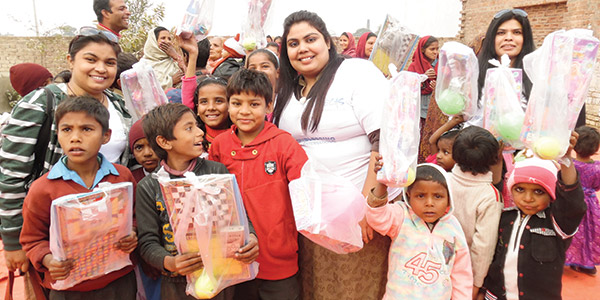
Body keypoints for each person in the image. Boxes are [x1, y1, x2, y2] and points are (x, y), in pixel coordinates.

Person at [272, 10, 390, 300]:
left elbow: (384, 141)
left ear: (327, 41)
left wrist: (366, 207)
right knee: (316, 289)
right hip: (311, 217)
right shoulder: (288, 88)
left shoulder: (356, 73)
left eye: (310, 39)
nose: (302, 49)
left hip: (357, 215)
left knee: (353, 289)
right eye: (293, 43)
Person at [0, 31, 132, 275]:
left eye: (109, 63)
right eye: (90, 60)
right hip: (54, 238)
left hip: (107, 238)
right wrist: (12, 241)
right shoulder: (41, 102)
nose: (101, 69)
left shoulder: (117, 103)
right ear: (71, 61)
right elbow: (11, 174)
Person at [136, 103, 259, 299]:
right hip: (177, 282)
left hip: (223, 274)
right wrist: (169, 262)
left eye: (197, 125)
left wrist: (251, 237)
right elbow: (147, 242)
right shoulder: (150, 187)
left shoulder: (216, 172)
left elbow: (240, 217)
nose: (200, 132)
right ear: (165, 142)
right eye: (189, 128)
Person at [20, 96, 138, 298]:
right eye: (67, 130)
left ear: (106, 136)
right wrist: (48, 260)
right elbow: (32, 239)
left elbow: (136, 217)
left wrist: (133, 234)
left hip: (118, 281)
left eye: (86, 129)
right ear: (58, 135)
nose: (75, 137)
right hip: (69, 288)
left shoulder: (122, 177)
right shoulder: (43, 189)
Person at [209, 69, 308, 300]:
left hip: (278, 260)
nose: (244, 111)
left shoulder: (284, 144)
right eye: (236, 103)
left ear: (269, 106)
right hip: (233, 260)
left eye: (254, 104)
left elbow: (305, 189)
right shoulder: (219, 146)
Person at [483, 134, 586, 300]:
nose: (528, 198)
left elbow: (572, 203)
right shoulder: (506, 216)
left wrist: (566, 160)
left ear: (552, 194)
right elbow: (496, 186)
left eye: (538, 191)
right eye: (520, 189)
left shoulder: (556, 222)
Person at [367, 162, 473, 299]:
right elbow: (376, 215)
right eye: (421, 196)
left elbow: (461, 274)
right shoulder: (401, 217)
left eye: (438, 196)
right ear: (409, 196)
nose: (429, 203)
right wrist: (382, 183)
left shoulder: (453, 227)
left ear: (449, 199)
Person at [449, 126, 503, 299]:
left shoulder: (443, 180)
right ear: (493, 159)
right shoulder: (490, 196)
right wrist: (475, 284)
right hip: (463, 272)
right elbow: (483, 246)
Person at [565, 126, 600, 275]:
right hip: (590, 206)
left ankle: (573, 259)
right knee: (589, 232)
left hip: (572, 201)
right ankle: (586, 263)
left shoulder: (570, 165)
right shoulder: (597, 168)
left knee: (573, 231)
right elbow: (597, 186)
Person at [408, 36, 439, 131]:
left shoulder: (441, 64)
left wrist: (438, 86)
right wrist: (422, 78)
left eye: (437, 49)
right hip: (418, 111)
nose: (435, 52)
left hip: (437, 110)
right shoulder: (414, 66)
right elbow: (408, 87)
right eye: (432, 49)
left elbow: (449, 83)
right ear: (422, 50)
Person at [128, 119, 159, 183]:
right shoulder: (131, 180)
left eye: (153, 145)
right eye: (139, 148)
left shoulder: (177, 177)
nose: (147, 153)